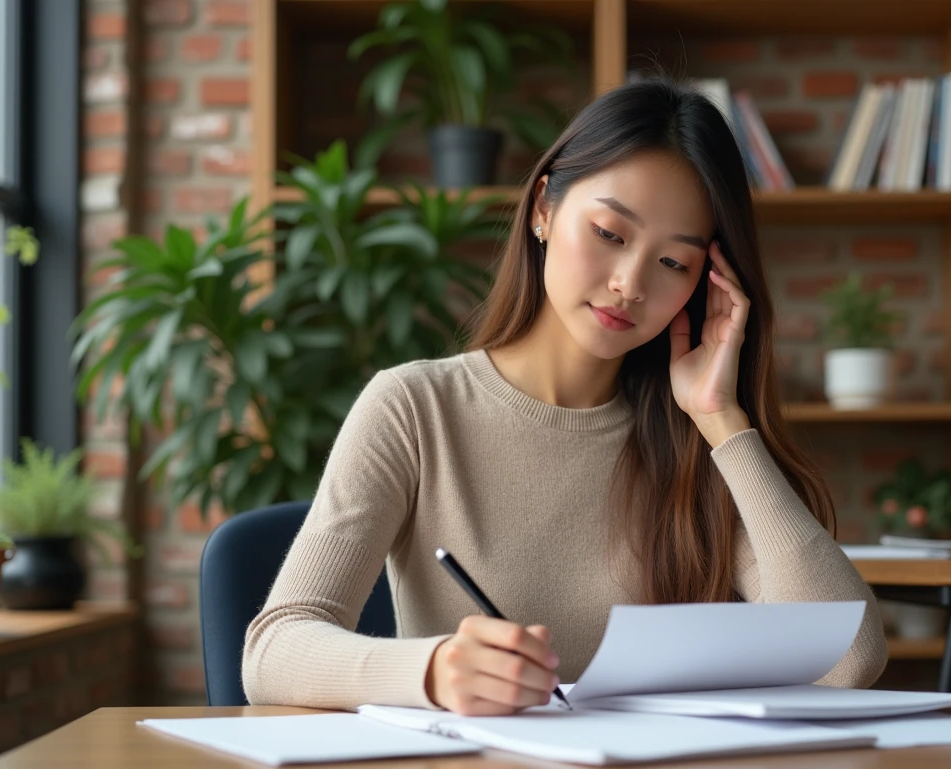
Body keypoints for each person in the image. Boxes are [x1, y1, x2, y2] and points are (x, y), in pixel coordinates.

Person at [243, 75, 887, 716]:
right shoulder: (415, 409)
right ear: (544, 209)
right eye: (610, 233)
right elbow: (275, 649)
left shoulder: (697, 440)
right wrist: (434, 671)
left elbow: (846, 661)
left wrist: (722, 421)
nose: (629, 284)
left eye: (674, 264)